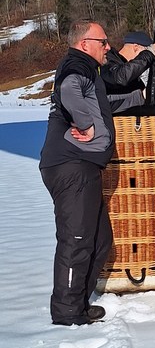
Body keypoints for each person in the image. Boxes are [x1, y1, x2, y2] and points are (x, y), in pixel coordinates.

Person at [39, 19, 116, 326]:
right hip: (72, 165)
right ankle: (67, 312)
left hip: (81, 166)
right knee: (77, 238)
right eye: (103, 41)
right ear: (85, 44)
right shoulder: (78, 64)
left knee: (100, 239)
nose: (107, 47)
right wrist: (86, 125)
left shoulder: (86, 68)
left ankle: (78, 303)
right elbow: (69, 89)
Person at [101, 30, 155, 111]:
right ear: (136, 48)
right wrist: (150, 53)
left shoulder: (131, 74)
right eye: (145, 51)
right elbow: (120, 77)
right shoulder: (107, 60)